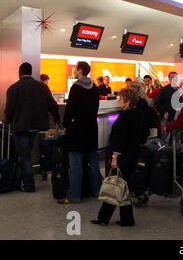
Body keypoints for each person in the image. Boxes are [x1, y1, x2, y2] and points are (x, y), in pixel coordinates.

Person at [91, 88, 147, 227]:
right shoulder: (139, 114)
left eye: (120, 98)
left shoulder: (124, 116)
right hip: (132, 155)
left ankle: (103, 218)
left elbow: (119, 139)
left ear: (127, 101)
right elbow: (143, 136)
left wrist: (115, 156)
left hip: (121, 156)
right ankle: (127, 219)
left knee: (115, 185)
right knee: (123, 186)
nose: (118, 100)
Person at [4, 63, 61, 193]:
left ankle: (29, 185)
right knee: (23, 155)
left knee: (24, 157)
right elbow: (52, 105)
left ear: (20, 72)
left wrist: (7, 121)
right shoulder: (42, 87)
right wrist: (57, 119)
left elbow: (9, 109)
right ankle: (17, 182)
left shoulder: (14, 88)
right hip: (36, 127)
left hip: (20, 127)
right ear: (31, 72)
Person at [59, 62, 102, 204]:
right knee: (94, 163)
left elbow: (70, 108)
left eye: (76, 70)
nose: (74, 72)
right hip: (91, 128)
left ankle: (74, 195)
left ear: (80, 71)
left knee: (75, 165)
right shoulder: (95, 88)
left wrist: (65, 125)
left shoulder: (76, 87)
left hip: (77, 129)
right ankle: (97, 191)